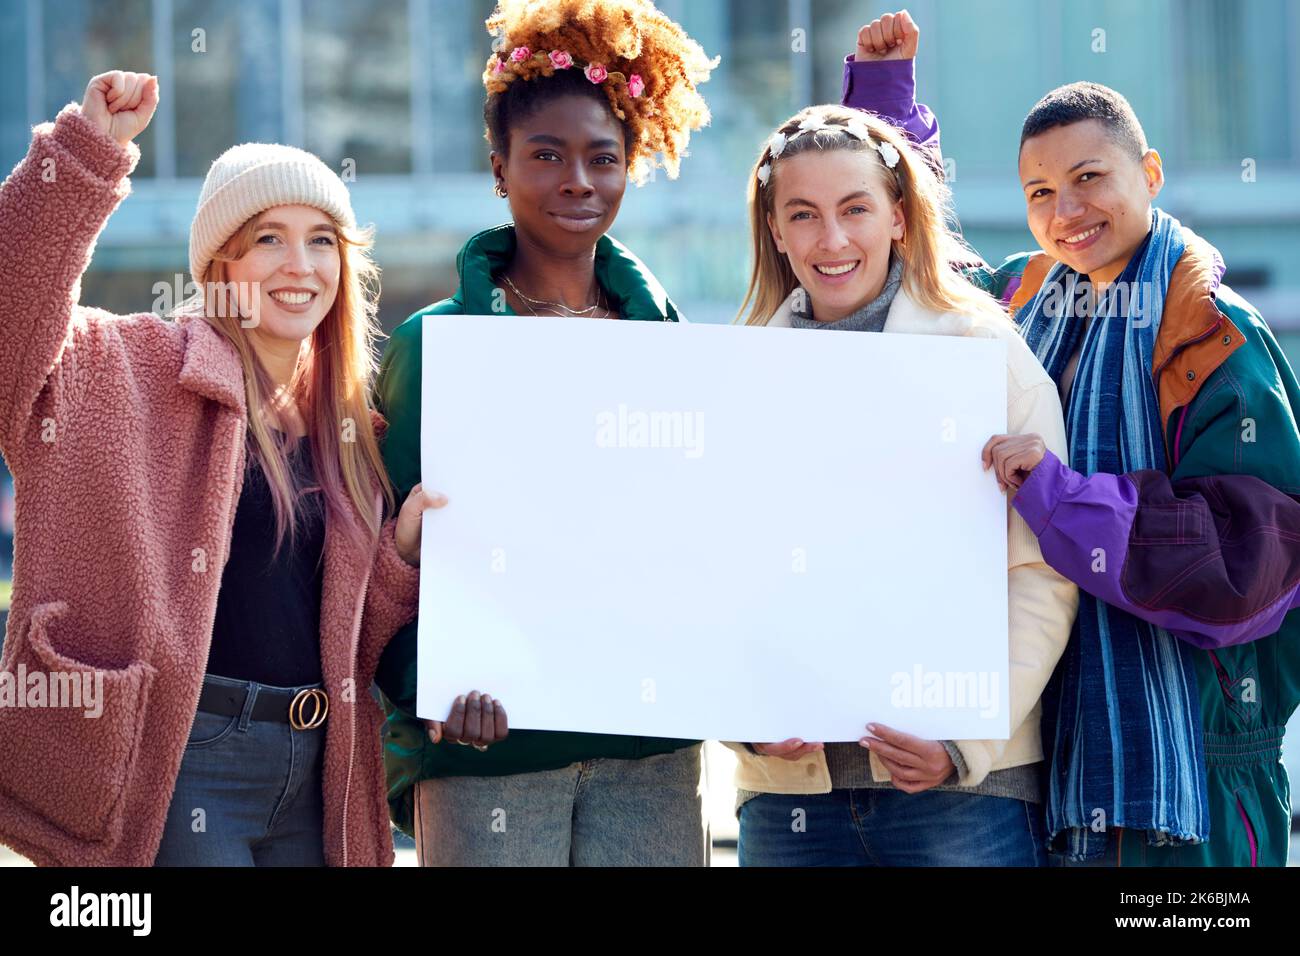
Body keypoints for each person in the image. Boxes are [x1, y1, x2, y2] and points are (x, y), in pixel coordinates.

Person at [852, 10, 1300, 866]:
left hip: (1192, 776)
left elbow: (1251, 562)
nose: (1067, 210)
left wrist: (1065, 500)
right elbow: (915, 270)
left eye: (1090, 177)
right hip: (1054, 764)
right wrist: (887, 106)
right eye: (1039, 194)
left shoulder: (1212, 332)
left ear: (1152, 173)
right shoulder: (1025, 303)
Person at [0, 71, 436, 867]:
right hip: (182, 761)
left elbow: (351, 643)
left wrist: (399, 556)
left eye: (320, 240)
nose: (298, 264)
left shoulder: (352, 427)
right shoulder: (128, 366)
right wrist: (83, 153)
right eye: (267, 238)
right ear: (220, 265)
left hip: (319, 768)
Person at [372, 0, 719, 866]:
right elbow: (378, 547)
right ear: (499, 170)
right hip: (489, 753)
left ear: (631, 168)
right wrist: (433, 687)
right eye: (547, 156)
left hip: (649, 749)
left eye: (603, 158)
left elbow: (709, 536)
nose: (578, 181)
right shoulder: (430, 350)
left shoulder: (675, 347)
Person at [724, 102, 1077, 866]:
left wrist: (965, 743)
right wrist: (741, 718)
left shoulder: (984, 350)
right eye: (804, 215)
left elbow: (1043, 572)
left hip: (960, 798)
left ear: (898, 216)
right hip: (790, 797)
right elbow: (712, 573)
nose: (833, 239)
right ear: (776, 231)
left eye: (855, 209)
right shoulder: (736, 371)